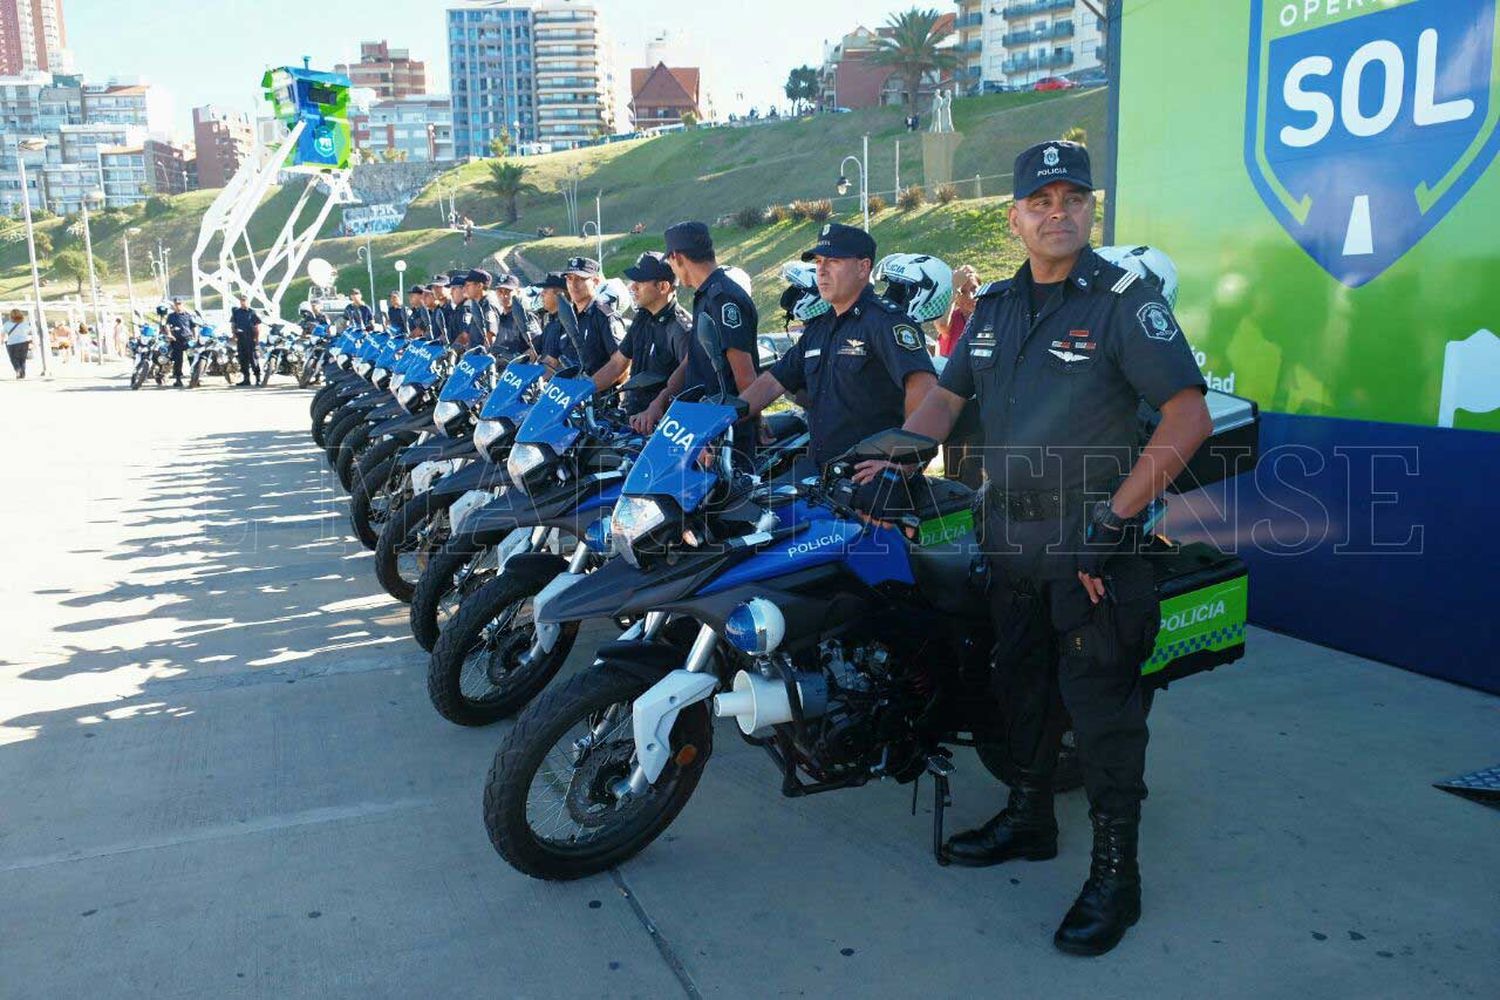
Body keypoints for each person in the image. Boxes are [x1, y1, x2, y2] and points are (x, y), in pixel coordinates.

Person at [853, 140, 1213, 957]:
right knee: (1018, 694)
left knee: (1103, 716)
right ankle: (1028, 819)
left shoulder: (1125, 300)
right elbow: (948, 396)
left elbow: (1187, 417)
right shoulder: (997, 305)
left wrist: (1115, 522)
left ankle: (1116, 878)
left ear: (1092, 209)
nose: (1059, 212)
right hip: (1008, 541)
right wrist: (900, 453)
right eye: (1041, 200)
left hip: (1093, 551)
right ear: (1015, 217)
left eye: (1073, 198)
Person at [736, 224, 936, 478]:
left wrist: (903, 465)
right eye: (819, 262)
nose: (822, 270)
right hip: (821, 476)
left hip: (867, 480)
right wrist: (722, 423)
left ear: (863, 268)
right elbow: (772, 382)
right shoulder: (819, 329)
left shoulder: (886, 323)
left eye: (834, 261)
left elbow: (923, 389)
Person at [631, 222, 761, 455]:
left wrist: (753, 424)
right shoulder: (706, 295)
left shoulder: (723, 299)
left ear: (678, 257)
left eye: (670, 261)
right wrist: (660, 402)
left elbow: (745, 377)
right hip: (703, 429)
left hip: (723, 439)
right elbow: (692, 360)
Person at [591, 252, 691, 414]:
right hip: (633, 417)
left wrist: (658, 407)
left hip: (660, 425)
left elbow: (690, 382)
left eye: (640, 282)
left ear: (663, 287)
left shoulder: (680, 329)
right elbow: (617, 364)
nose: (632, 287)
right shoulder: (642, 318)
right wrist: (582, 391)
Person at [557, 257, 625, 390]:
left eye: (581, 279)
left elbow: (622, 366)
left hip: (597, 401)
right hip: (566, 396)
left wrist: (587, 387)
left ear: (596, 281)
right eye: (570, 278)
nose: (573, 284)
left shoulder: (605, 316)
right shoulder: (568, 315)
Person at [534, 273, 577, 370]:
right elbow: (533, 350)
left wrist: (529, 381)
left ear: (559, 295)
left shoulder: (566, 323)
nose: (541, 294)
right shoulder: (552, 322)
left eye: (545, 290)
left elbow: (551, 364)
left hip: (558, 382)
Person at [936, 264, 979, 358]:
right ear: (955, 297)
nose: (971, 296)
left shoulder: (992, 316)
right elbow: (941, 325)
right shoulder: (953, 319)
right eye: (962, 292)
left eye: (974, 288)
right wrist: (954, 286)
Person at [492, 273, 541, 357]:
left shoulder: (525, 316)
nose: (504, 295)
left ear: (518, 292)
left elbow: (538, 346)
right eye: (500, 291)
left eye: (508, 291)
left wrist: (519, 361)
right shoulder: (500, 317)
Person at [456, 268, 497, 348]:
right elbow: (467, 335)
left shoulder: (487, 306)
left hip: (480, 358)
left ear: (479, 286)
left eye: (468, 285)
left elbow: (490, 337)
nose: (465, 288)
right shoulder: (477, 306)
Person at [228, 293, 263, 386]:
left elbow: (257, 327)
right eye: (241, 301)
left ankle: (258, 379)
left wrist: (257, 340)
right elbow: (233, 324)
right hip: (240, 339)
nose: (243, 303)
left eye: (244, 301)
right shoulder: (237, 312)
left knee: (253, 359)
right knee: (243, 360)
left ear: (248, 302)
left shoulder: (252, 312)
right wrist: (234, 335)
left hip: (250, 338)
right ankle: (246, 379)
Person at [163, 298, 196, 387]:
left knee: (192, 359)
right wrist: (169, 334)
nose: (178, 305)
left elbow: (193, 327)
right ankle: (178, 379)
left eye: (179, 304)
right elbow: (167, 326)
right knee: (178, 361)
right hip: (176, 340)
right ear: (174, 305)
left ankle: (195, 378)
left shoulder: (188, 315)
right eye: (176, 304)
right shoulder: (171, 316)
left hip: (188, 340)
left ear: (182, 304)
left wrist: (195, 338)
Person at [4, 308, 32, 379]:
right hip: (24, 343)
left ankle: (18, 370)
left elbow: (3, 334)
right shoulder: (25, 323)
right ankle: (22, 374)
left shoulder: (7, 324)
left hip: (12, 344)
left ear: (10, 316)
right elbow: (28, 332)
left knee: (14, 358)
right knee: (22, 359)